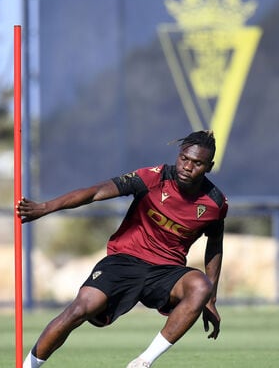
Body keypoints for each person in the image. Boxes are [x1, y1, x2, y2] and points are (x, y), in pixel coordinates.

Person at [17, 130, 228, 368]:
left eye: (197, 163)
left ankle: (142, 362)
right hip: (125, 260)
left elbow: (214, 246)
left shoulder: (215, 203)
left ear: (208, 167)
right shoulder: (153, 178)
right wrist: (45, 207)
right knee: (80, 309)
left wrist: (211, 298)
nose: (187, 167)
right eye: (184, 158)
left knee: (200, 286)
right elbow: (96, 192)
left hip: (166, 272)